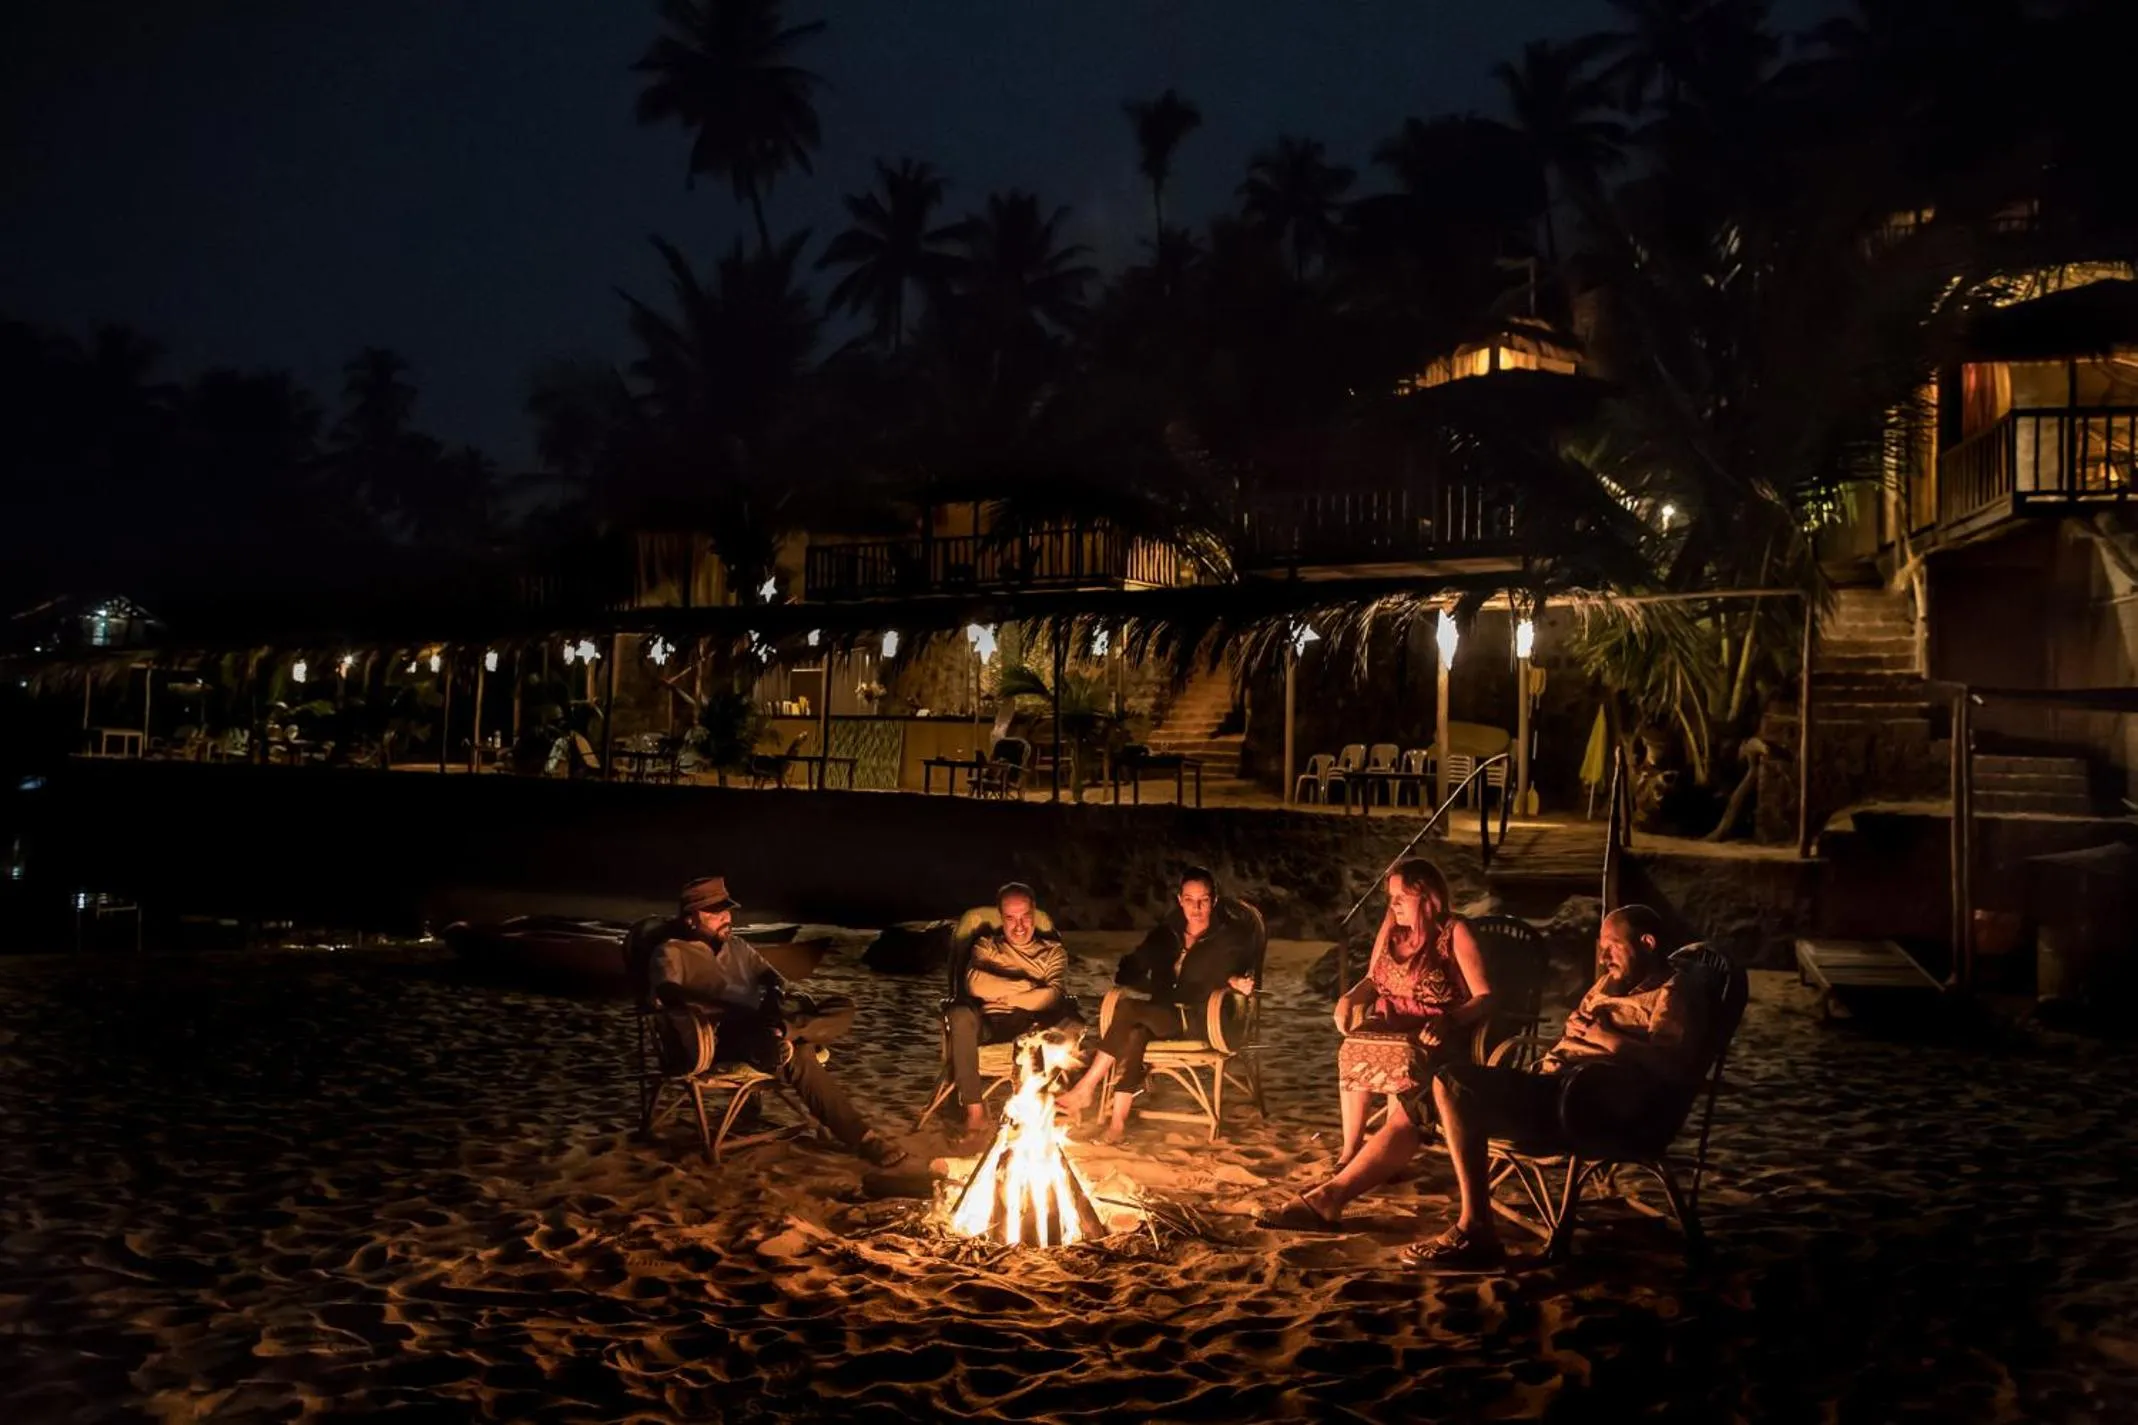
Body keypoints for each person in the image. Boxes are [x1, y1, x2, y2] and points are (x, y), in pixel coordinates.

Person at [1258, 906, 1707, 1270]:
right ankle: (1328, 1200)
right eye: (1602, 947)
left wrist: (1606, 1040)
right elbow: (1580, 1031)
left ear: (1647, 943)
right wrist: (1577, 1030)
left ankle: (1476, 1229)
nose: (1604, 957)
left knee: (1454, 1081)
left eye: (1613, 946)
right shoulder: (1615, 982)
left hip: (1581, 1105)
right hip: (1556, 1085)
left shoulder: (1671, 993)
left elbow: (1674, 1066)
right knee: (1423, 1097)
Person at [650, 875, 907, 1167]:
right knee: (799, 1055)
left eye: (727, 911)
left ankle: (783, 1032)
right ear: (690, 919)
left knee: (842, 1007)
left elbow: (774, 978)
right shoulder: (671, 951)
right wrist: (728, 1008)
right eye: (715, 913)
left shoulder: (738, 947)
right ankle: (864, 1138)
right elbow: (668, 992)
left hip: (763, 1024)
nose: (726, 918)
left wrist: (774, 996)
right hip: (719, 1036)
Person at [1055, 866, 1259, 1142]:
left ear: (1214, 900)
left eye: (1203, 900)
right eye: (1190, 899)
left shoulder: (1227, 938)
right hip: (1163, 1016)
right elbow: (1128, 970)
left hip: (1200, 1019)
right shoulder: (1166, 934)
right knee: (1135, 1032)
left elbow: (1232, 971)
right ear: (1180, 900)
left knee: (1129, 1010)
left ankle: (1085, 1088)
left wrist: (1234, 981)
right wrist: (1144, 973)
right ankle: (1117, 1125)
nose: (1196, 908)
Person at [1330, 859, 1494, 1169]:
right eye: (1391, 898)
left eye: (1401, 897)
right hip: (1390, 1018)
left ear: (1428, 897)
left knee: (1403, 1055)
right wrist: (1349, 997)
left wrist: (1449, 1020)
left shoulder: (1454, 932)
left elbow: (1484, 997)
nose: (1393, 905)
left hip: (1435, 1028)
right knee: (1352, 1047)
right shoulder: (1392, 930)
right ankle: (1351, 1151)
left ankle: (1389, 1153)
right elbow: (1371, 980)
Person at [945, 882, 1081, 1139]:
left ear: (1034, 914)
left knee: (1066, 1022)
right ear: (1001, 917)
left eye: (1025, 917)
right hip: (986, 1022)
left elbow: (1050, 997)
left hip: (1031, 1024)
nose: (1019, 926)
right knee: (959, 1014)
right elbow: (974, 984)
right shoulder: (986, 945)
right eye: (1010, 918)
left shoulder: (1052, 951)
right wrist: (1026, 986)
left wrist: (1001, 994)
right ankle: (975, 1112)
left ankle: (1039, 1112)